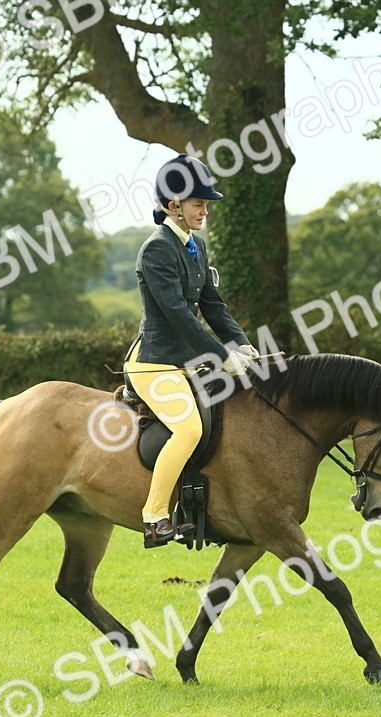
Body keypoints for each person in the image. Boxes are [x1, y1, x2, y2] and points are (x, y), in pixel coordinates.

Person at [124, 154, 259, 548]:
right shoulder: (157, 250)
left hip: (187, 364)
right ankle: (154, 516)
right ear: (173, 206)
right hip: (154, 363)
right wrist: (222, 357)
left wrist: (243, 344)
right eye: (198, 204)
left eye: (205, 204)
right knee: (189, 428)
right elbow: (181, 316)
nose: (204, 211)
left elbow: (213, 306)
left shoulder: (195, 245)